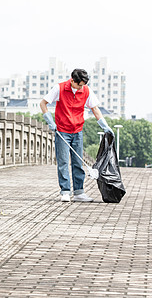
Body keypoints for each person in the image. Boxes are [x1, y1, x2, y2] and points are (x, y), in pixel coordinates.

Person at [40, 68, 114, 203]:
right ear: (72, 80)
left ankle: (79, 192)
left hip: (77, 131)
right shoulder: (60, 88)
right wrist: (50, 121)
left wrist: (105, 126)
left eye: (83, 85)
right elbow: (43, 103)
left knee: (77, 162)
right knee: (63, 162)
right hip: (62, 131)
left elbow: (95, 109)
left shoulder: (86, 90)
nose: (81, 88)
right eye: (79, 85)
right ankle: (65, 191)